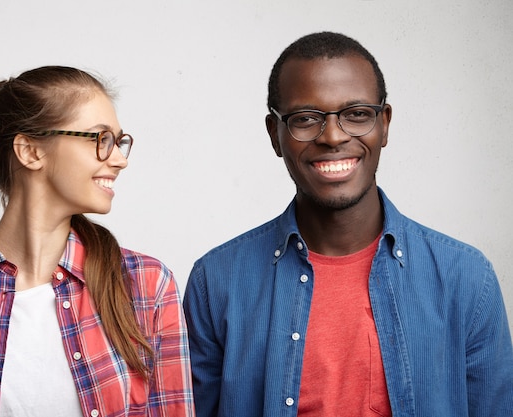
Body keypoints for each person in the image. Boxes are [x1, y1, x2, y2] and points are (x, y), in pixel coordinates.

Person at [183, 32, 513, 417]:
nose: (334, 136)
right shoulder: (216, 281)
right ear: (275, 134)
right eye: (306, 119)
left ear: (384, 125)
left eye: (356, 114)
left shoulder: (467, 278)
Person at [0, 66, 195, 417]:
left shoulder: (147, 285)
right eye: (100, 139)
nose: (120, 159)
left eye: (120, 141)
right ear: (30, 152)